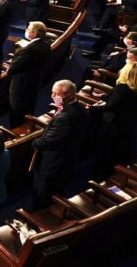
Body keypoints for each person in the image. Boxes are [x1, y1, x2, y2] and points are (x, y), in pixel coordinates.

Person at [31, 80, 88, 210]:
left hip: (54, 163)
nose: (52, 96)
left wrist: (35, 143)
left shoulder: (65, 117)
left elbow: (49, 141)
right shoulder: (80, 108)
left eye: (56, 94)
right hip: (68, 158)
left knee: (44, 194)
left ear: (69, 95)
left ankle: (40, 216)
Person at [91, 61, 137, 180]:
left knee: (104, 153)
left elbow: (112, 106)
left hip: (113, 125)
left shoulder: (122, 87)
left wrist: (93, 109)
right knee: (114, 153)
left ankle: (98, 177)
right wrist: (104, 97)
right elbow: (122, 101)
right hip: (127, 126)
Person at [6, 21, 50, 129]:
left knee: (16, 111)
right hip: (34, 82)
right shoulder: (46, 45)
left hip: (20, 85)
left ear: (34, 34)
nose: (26, 31)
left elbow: (12, 69)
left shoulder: (28, 50)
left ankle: (15, 132)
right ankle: (26, 127)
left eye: (28, 30)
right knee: (28, 108)